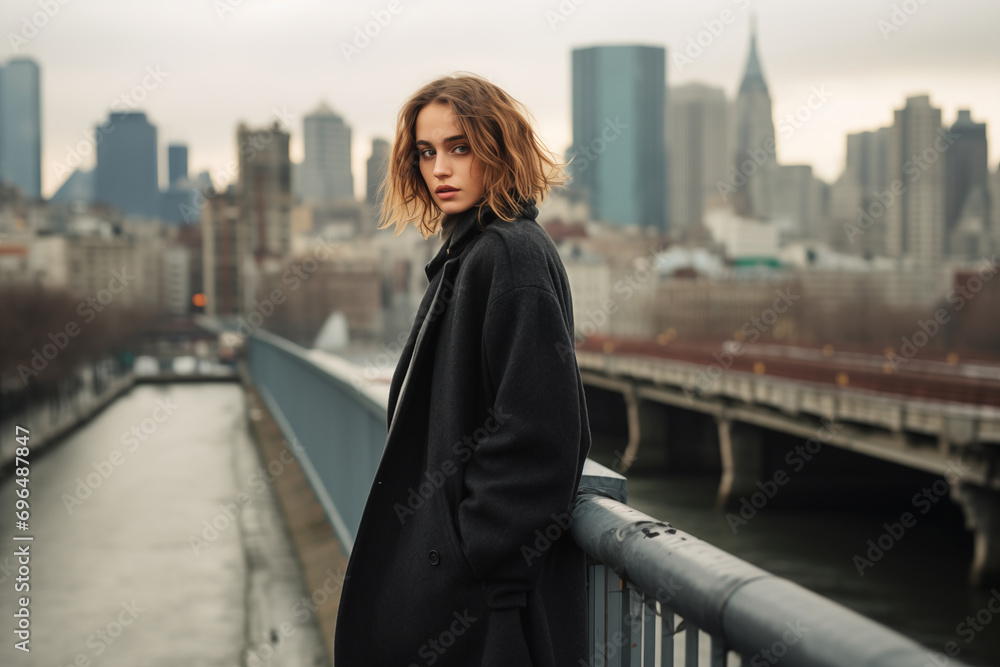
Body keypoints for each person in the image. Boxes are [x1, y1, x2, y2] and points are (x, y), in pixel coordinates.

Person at [334, 72, 592, 666]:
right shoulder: (473, 251)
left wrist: (467, 551)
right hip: (459, 597)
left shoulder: (508, 255)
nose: (440, 169)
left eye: (460, 147)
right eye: (426, 153)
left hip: (481, 613)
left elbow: (543, 432)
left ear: (499, 150)